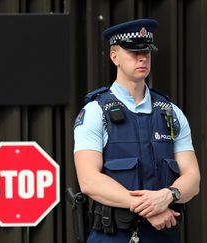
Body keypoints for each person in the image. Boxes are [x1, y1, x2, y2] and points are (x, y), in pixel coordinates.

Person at [73, 18, 200, 242]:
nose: (142, 58)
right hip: (112, 235)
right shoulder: (95, 112)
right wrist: (150, 208)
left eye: (147, 52)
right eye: (133, 52)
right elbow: (89, 180)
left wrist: (168, 195)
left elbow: (192, 178)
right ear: (115, 57)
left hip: (164, 235)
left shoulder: (171, 113)